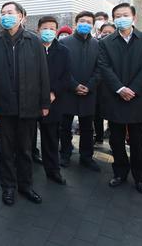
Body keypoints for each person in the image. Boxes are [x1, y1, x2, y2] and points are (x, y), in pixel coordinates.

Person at [0, 1, 50, 206]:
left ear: (22, 16)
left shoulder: (34, 41)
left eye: (10, 12)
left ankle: (26, 185)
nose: (6, 16)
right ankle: (8, 187)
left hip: (29, 105)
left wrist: (44, 102)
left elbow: (43, 74)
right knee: (6, 149)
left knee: (25, 149)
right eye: (3, 13)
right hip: (4, 106)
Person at [98, 2, 142, 194]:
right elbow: (104, 67)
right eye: (118, 16)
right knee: (116, 140)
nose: (121, 18)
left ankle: (140, 178)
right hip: (115, 98)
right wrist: (120, 88)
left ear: (134, 18)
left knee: (138, 141)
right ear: (113, 19)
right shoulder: (106, 42)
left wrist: (133, 89)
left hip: (137, 99)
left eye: (125, 15)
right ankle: (120, 173)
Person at [59, 11, 101, 171]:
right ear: (76, 23)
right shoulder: (64, 42)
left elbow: (100, 68)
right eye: (82, 21)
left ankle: (86, 157)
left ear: (93, 25)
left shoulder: (97, 44)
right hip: (68, 92)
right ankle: (65, 153)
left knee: (87, 128)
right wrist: (74, 85)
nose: (85, 24)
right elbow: (60, 68)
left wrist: (90, 86)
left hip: (89, 93)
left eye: (89, 22)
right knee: (65, 126)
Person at [36, 16, 71, 185]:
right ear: (38, 30)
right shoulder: (32, 48)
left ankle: (53, 170)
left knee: (51, 138)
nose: (48, 31)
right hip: (32, 99)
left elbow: (66, 76)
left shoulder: (63, 51)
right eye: (45, 28)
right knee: (26, 137)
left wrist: (53, 92)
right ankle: (27, 165)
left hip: (54, 102)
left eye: (52, 28)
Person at [94, 22, 116, 144]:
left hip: (113, 87)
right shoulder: (96, 45)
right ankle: (98, 137)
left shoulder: (118, 46)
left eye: (110, 32)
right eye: (104, 32)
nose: (107, 34)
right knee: (97, 115)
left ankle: (114, 142)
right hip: (98, 86)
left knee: (113, 117)